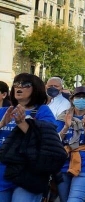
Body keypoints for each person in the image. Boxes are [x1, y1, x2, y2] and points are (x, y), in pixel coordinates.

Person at [0, 73, 58, 202]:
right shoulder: (4, 111)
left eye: (25, 84)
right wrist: (2, 124)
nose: (19, 87)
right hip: (2, 173)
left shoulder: (42, 111)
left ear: (36, 89)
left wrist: (22, 123)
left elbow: (46, 139)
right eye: (16, 84)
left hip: (28, 174)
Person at [56, 86, 85, 202]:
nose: (81, 99)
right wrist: (66, 127)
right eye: (78, 97)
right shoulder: (63, 117)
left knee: (75, 199)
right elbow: (55, 140)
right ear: (72, 99)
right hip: (64, 164)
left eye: (84, 97)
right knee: (64, 199)